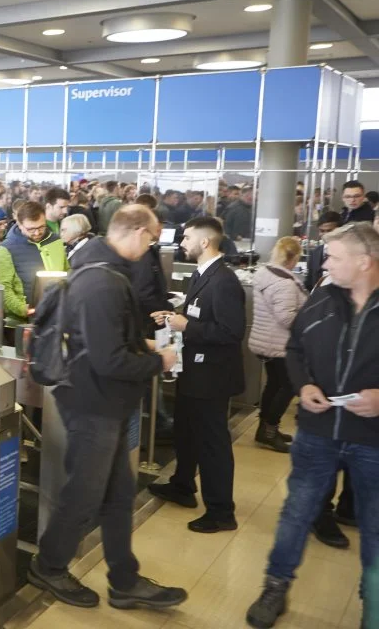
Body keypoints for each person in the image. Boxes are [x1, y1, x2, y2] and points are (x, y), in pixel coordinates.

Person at [29, 206, 187, 610]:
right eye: (151, 238)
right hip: (92, 403)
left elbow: (103, 341)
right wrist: (159, 361)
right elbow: (107, 360)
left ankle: (124, 579)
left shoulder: (101, 270)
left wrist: (143, 345)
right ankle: (49, 565)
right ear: (135, 232)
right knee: (84, 494)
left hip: (104, 401)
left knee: (117, 496)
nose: (152, 246)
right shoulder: (102, 281)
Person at [245, 223, 379, 629]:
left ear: (364, 262)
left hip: (371, 440)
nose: (325, 263)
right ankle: (276, 586)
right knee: (296, 514)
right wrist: (303, 384)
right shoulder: (322, 297)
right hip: (317, 433)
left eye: (334, 257)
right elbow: (296, 346)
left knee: (374, 524)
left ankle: (371, 598)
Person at [149, 217, 246, 533]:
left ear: (205, 242)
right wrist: (173, 317)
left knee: (212, 444)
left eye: (187, 237)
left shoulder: (225, 281)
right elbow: (198, 314)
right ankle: (182, 485)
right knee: (186, 432)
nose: (182, 242)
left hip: (212, 377)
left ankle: (221, 511)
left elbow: (231, 332)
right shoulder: (203, 275)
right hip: (194, 371)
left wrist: (187, 326)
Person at [247, 236, 307, 453]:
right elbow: (286, 318)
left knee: (274, 384)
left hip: (265, 340)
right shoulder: (284, 283)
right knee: (288, 385)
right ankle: (269, 430)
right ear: (293, 257)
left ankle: (265, 428)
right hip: (280, 344)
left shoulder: (266, 273)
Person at [0, 201, 69, 324]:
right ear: (19, 224)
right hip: (22, 321)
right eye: (31, 229)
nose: (37, 233)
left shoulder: (55, 241)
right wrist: (23, 309)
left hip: (56, 314)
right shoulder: (6, 249)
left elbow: (66, 270)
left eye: (41, 227)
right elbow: (3, 287)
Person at [304, 211, 342, 290]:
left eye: (329, 231)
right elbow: (309, 282)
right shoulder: (315, 253)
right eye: (322, 231)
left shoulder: (348, 253)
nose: (325, 235)